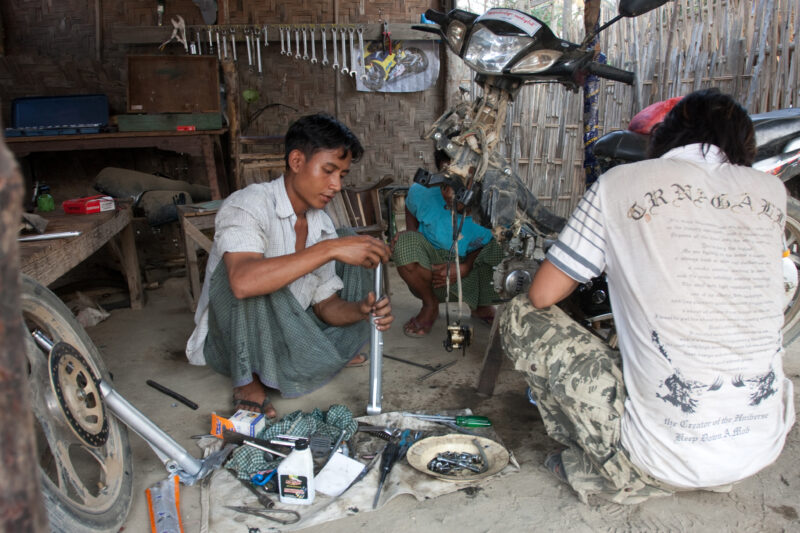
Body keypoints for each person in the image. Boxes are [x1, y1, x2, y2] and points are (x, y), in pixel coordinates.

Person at [500, 89, 795, 504]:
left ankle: (611, 464)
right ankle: (711, 462)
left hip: (659, 459)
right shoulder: (771, 192)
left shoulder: (621, 183)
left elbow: (544, 293)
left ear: (665, 133)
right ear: (745, 142)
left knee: (521, 313)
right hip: (758, 450)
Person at [185, 113, 393, 419]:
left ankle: (316, 353)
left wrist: (361, 310)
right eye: (328, 171)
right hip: (234, 336)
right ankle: (248, 380)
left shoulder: (321, 224)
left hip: (283, 327)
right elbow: (242, 282)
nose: (336, 185)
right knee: (251, 277)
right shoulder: (248, 204)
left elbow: (325, 306)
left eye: (342, 175)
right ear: (296, 161)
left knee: (352, 240)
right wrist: (329, 250)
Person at [392, 149, 503, 337]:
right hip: (434, 274)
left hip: (473, 272)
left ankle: (482, 305)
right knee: (404, 242)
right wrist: (411, 231)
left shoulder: (496, 201)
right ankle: (430, 305)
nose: (449, 192)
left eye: (460, 180)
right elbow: (411, 207)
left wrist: (466, 266)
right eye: (446, 180)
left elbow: (494, 242)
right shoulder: (422, 192)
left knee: (503, 248)